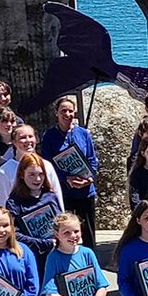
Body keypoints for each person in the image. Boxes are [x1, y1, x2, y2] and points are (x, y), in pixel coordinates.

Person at [4, 155, 64, 296]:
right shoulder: (14, 202)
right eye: (32, 174)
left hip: (53, 260)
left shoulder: (50, 196)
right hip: (29, 263)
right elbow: (13, 233)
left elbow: (60, 222)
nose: (37, 179)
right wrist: (42, 242)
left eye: (40, 174)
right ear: (22, 175)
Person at [40, 95, 99, 237]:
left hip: (85, 190)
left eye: (71, 111)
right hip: (64, 191)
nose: (67, 114)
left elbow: (92, 159)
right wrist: (66, 179)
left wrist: (89, 179)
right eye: (63, 111)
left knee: (88, 232)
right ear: (56, 113)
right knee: (65, 231)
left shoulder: (83, 134)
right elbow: (47, 164)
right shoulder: (49, 136)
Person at [0, 123, 64, 208]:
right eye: (22, 137)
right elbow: (0, 205)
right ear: (14, 142)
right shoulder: (4, 172)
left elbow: (57, 196)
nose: (28, 140)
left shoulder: (47, 165)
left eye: (30, 136)